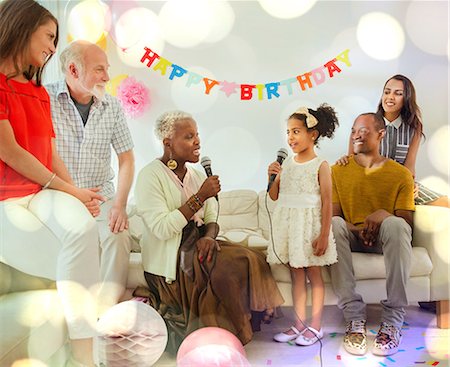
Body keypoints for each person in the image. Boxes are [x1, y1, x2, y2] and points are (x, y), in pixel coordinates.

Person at [0, 1, 104, 366]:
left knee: (83, 227)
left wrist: (78, 196)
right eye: (49, 36)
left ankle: (84, 356)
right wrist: (71, 192)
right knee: (72, 257)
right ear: (21, 27)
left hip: (40, 194)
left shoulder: (38, 91)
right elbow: (10, 151)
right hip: (6, 203)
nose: (52, 47)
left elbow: (49, 153)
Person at [134, 110, 284, 352]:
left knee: (248, 257)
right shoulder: (149, 176)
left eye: (197, 135)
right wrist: (200, 196)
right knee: (224, 270)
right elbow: (162, 229)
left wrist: (208, 237)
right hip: (173, 256)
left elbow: (212, 215)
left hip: (199, 240)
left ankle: (242, 326)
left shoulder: (194, 174)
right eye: (189, 136)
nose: (197, 141)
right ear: (168, 143)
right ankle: (234, 336)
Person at [46, 41, 135, 315]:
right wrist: (75, 196)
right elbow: (44, 154)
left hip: (102, 195)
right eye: (99, 69)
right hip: (59, 194)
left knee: (118, 235)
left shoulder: (113, 107)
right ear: (73, 70)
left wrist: (119, 204)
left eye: (106, 69)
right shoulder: (44, 99)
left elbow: (126, 159)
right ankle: (68, 312)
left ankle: (104, 314)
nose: (107, 77)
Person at [330, 113, 415, 356]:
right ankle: (354, 319)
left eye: (364, 130)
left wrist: (382, 215)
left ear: (381, 134)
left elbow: (406, 224)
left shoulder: (400, 175)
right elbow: (335, 215)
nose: (357, 134)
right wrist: (360, 229)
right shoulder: (338, 170)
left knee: (396, 225)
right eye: (354, 130)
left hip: (385, 239)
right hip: (354, 236)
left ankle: (393, 320)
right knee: (334, 224)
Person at [267, 105, 339, 346]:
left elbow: (327, 202)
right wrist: (273, 176)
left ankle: (315, 326)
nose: (290, 138)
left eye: (296, 131)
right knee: (296, 274)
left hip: (309, 228)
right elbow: (275, 196)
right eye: (288, 132)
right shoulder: (286, 163)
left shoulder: (321, 165)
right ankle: (298, 324)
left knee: (314, 275)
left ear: (313, 134)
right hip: (290, 226)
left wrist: (324, 235)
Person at [337, 74, 449, 207]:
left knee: (445, 203)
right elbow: (352, 161)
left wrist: (410, 186)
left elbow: (409, 168)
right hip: (369, 183)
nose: (390, 97)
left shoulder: (414, 128)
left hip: (399, 184)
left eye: (398, 93)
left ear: (406, 98)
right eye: (387, 92)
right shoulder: (365, 123)